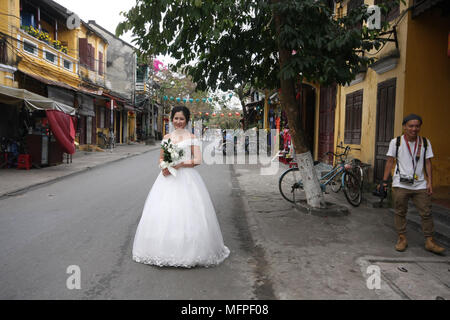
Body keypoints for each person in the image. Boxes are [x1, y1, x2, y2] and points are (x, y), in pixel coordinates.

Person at [132, 106, 230, 268]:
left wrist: (180, 164)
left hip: (187, 178)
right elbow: (161, 158)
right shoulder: (166, 137)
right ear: (171, 119)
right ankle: (162, 249)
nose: (178, 121)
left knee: (188, 213)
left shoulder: (191, 137)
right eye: (176, 118)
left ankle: (190, 250)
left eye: (181, 119)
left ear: (187, 120)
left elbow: (198, 160)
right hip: (167, 178)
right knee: (164, 213)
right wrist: (165, 166)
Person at [380, 114, 444, 254]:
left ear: (420, 127)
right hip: (400, 184)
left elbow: (428, 163)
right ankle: (402, 238)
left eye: (417, 126)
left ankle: (429, 241)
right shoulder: (396, 142)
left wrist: (430, 183)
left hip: (420, 184)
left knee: (426, 212)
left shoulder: (425, 142)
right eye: (411, 126)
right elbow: (390, 161)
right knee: (400, 212)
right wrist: (384, 182)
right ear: (404, 127)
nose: (414, 129)